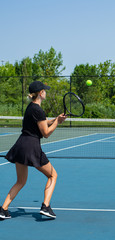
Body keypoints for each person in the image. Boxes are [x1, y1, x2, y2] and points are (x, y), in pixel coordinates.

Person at [0, 81, 66, 220]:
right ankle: (45, 206)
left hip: (20, 145)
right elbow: (46, 133)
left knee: (20, 181)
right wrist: (57, 123)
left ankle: (3, 209)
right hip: (31, 147)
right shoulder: (38, 110)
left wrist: (56, 119)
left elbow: (43, 121)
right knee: (53, 175)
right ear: (41, 93)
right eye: (45, 90)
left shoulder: (31, 107)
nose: (46, 92)